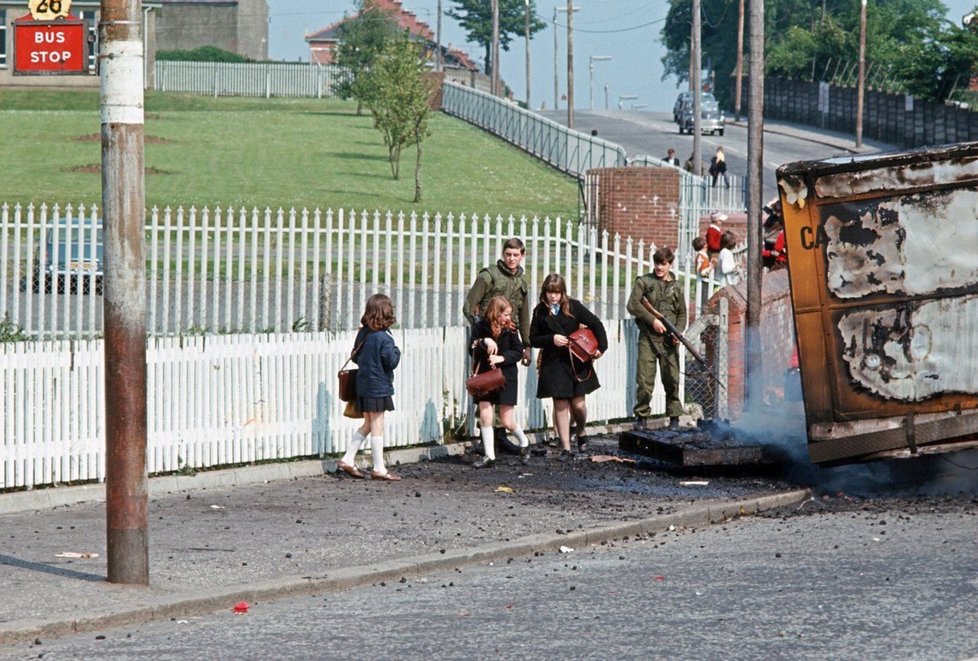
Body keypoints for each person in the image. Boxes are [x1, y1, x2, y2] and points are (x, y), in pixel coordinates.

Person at [530, 273, 608, 459]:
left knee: (579, 405)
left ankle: (580, 431)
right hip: (553, 362)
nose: (553, 296)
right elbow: (533, 339)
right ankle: (566, 448)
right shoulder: (539, 311)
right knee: (560, 404)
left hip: (576, 360)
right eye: (550, 292)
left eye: (557, 293)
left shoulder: (574, 306)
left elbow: (596, 323)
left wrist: (601, 348)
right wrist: (551, 338)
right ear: (544, 292)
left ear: (563, 292)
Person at [336, 294, 403, 482]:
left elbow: (356, 357)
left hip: (363, 384)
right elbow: (391, 362)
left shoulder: (363, 333)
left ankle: (348, 459)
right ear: (386, 313)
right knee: (377, 425)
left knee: (368, 424)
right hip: (379, 386)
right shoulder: (385, 338)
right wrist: (397, 350)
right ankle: (379, 468)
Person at [626, 247, 687, 430]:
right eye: (657, 263)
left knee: (672, 379)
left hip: (669, 340)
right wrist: (652, 320)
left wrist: (678, 332)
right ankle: (642, 418)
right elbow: (633, 305)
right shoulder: (644, 282)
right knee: (644, 381)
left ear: (670, 264)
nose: (659, 267)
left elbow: (682, 313)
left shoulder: (677, 287)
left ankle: (674, 417)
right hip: (648, 338)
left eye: (664, 264)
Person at [468, 296, 532, 468]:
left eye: (509, 314)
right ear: (495, 313)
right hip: (486, 376)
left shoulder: (511, 329)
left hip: (506, 376)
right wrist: (483, 341)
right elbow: (471, 348)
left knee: (506, 420)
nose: (508, 318)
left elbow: (518, 351)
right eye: (505, 314)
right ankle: (490, 455)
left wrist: (501, 358)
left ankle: (524, 443)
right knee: (485, 413)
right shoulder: (480, 327)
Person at [463, 238, 531, 365]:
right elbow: (468, 306)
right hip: (488, 339)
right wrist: (481, 329)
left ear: (522, 256)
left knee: (508, 380)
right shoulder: (489, 275)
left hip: (509, 338)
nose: (511, 258)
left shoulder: (522, 281)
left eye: (515, 255)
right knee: (486, 379)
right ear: (503, 254)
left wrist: (527, 346)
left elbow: (524, 317)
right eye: (508, 254)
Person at [692, 236, 714, 307]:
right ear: (705, 245)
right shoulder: (702, 256)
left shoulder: (702, 255)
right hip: (703, 282)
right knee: (704, 302)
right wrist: (711, 266)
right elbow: (702, 272)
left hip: (704, 282)